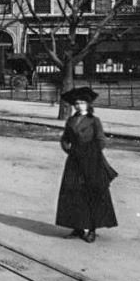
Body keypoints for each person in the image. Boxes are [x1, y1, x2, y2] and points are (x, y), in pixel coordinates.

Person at [55, 86, 118, 243]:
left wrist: (91, 153)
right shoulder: (71, 120)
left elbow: (101, 141)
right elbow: (65, 139)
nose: (79, 105)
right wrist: (68, 148)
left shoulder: (94, 121)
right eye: (76, 103)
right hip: (74, 161)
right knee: (73, 192)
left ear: (88, 105)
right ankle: (77, 226)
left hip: (91, 161)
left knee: (91, 193)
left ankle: (91, 229)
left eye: (82, 102)